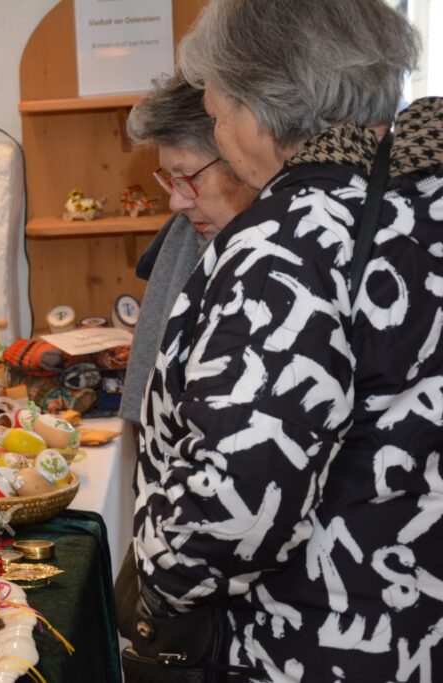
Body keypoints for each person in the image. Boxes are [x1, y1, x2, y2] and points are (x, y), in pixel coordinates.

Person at [131, 0, 442, 679]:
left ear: (261, 105)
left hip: (325, 639)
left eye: (216, 113)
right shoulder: (420, 199)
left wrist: (157, 567)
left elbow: (239, 503)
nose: (219, 130)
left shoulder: (291, 241)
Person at [117, 74, 256, 427]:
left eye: (189, 177)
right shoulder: (186, 240)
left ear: (244, 160)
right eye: (170, 179)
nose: (176, 202)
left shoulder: (283, 260)